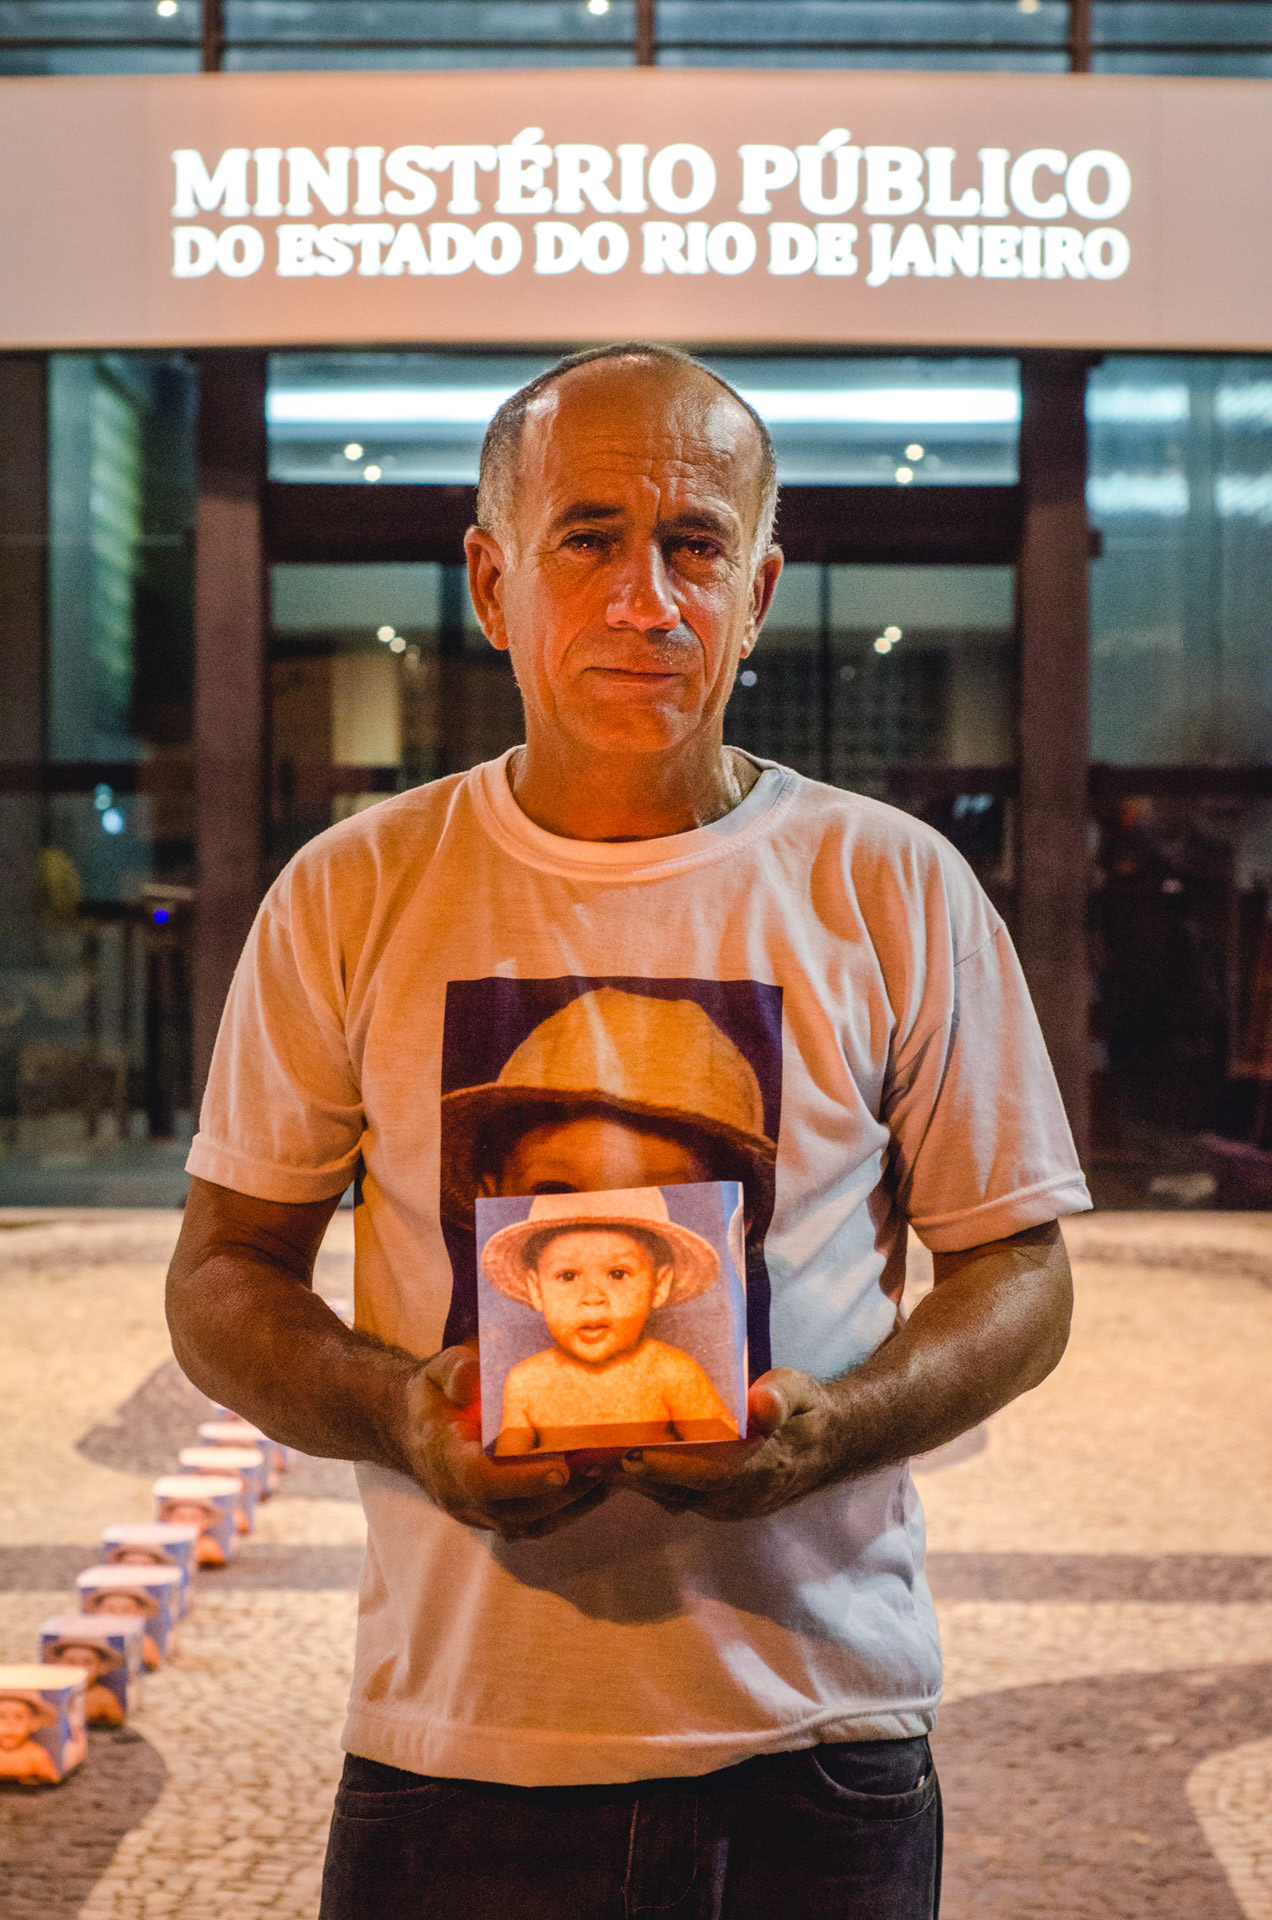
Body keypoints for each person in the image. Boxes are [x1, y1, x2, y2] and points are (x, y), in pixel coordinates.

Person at [167, 341, 1089, 1919]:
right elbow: (223, 1278)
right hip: (455, 1739)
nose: (645, 600)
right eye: (588, 538)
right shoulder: (353, 891)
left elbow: (1021, 1269)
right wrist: (398, 1412)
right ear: (491, 577)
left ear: (761, 585)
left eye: (695, 545)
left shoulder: (891, 885)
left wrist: (835, 1430)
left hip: (818, 1731)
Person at [484, 1186, 740, 1452]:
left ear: (658, 1284)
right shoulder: (526, 1382)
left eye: (618, 1274)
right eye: (568, 1276)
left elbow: (725, 1459)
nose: (592, 1297)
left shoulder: (672, 1372)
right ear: (536, 1290)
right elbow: (507, 1467)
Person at [0, 1692, 62, 1784]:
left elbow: (52, 1781)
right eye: (1, 1717)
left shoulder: (36, 1755)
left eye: (19, 1717)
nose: (10, 1724)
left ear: (33, 1723)